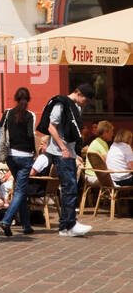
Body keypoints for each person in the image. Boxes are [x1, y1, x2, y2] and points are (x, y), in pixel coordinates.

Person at [40, 82, 94, 238]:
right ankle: (68, 225)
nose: (87, 104)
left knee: (70, 187)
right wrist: (63, 148)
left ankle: (68, 224)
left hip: (68, 152)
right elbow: (51, 126)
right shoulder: (62, 104)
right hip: (60, 152)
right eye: (87, 100)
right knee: (69, 186)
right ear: (79, 93)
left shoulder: (74, 106)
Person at [0, 87, 38, 238]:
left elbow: (0, 130)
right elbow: (30, 135)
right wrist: (34, 152)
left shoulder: (8, 113)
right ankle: (7, 220)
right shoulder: (30, 115)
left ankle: (26, 225)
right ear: (28, 100)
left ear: (15, 98)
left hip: (10, 156)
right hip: (25, 156)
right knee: (21, 190)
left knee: (20, 189)